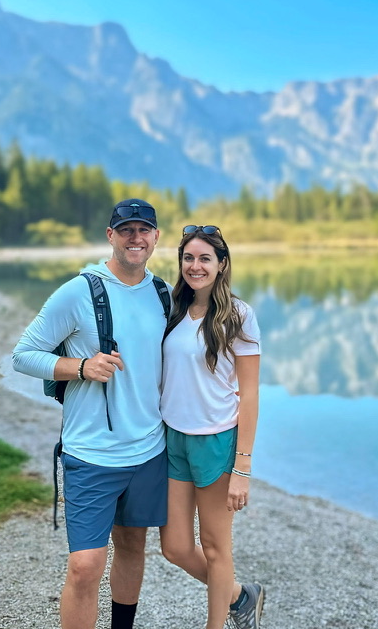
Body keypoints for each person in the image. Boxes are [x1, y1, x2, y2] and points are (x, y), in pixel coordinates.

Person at [11, 199, 168, 629]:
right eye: (126, 230)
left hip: (149, 451)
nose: (135, 239)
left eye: (144, 230)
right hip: (91, 453)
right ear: (110, 236)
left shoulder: (163, 294)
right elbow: (23, 355)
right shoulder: (78, 291)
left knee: (133, 547)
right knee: (85, 566)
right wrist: (80, 367)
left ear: (156, 237)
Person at [159, 224, 265, 629]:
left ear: (222, 265)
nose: (195, 266)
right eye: (188, 257)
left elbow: (250, 395)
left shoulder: (238, 315)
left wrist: (242, 468)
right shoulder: (172, 311)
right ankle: (240, 595)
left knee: (216, 548)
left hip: (217, 442)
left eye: (205, 258)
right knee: (175, 547)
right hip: (174, 439)